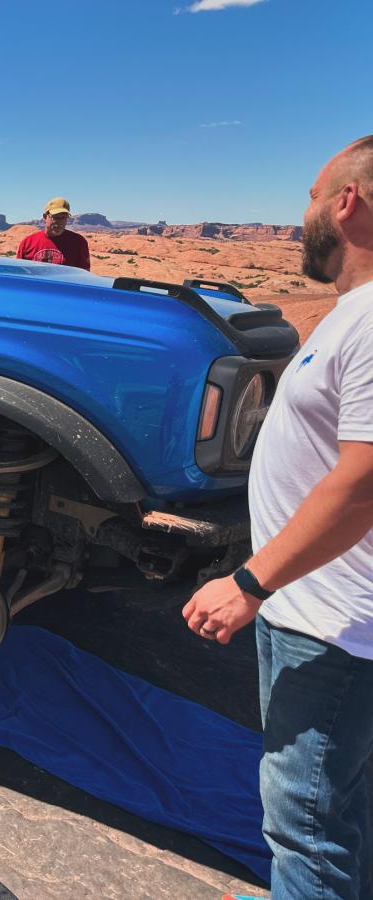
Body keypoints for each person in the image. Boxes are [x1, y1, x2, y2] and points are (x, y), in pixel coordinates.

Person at [183, 135, 373, 900]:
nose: (303, 214)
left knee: (306, 829)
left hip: (334, 626)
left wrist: (250, 582)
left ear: (347, 202)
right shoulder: (352, 314)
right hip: (318, 603)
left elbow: (363, 481)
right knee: (341, 807)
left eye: (311, 195)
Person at [15, 197, 91, 270]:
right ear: (45, 217)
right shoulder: (27, 243)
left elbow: (84, 274)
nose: (59, 222)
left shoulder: (78, 242)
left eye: (63, 218)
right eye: (56, 217)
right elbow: (19, 272)